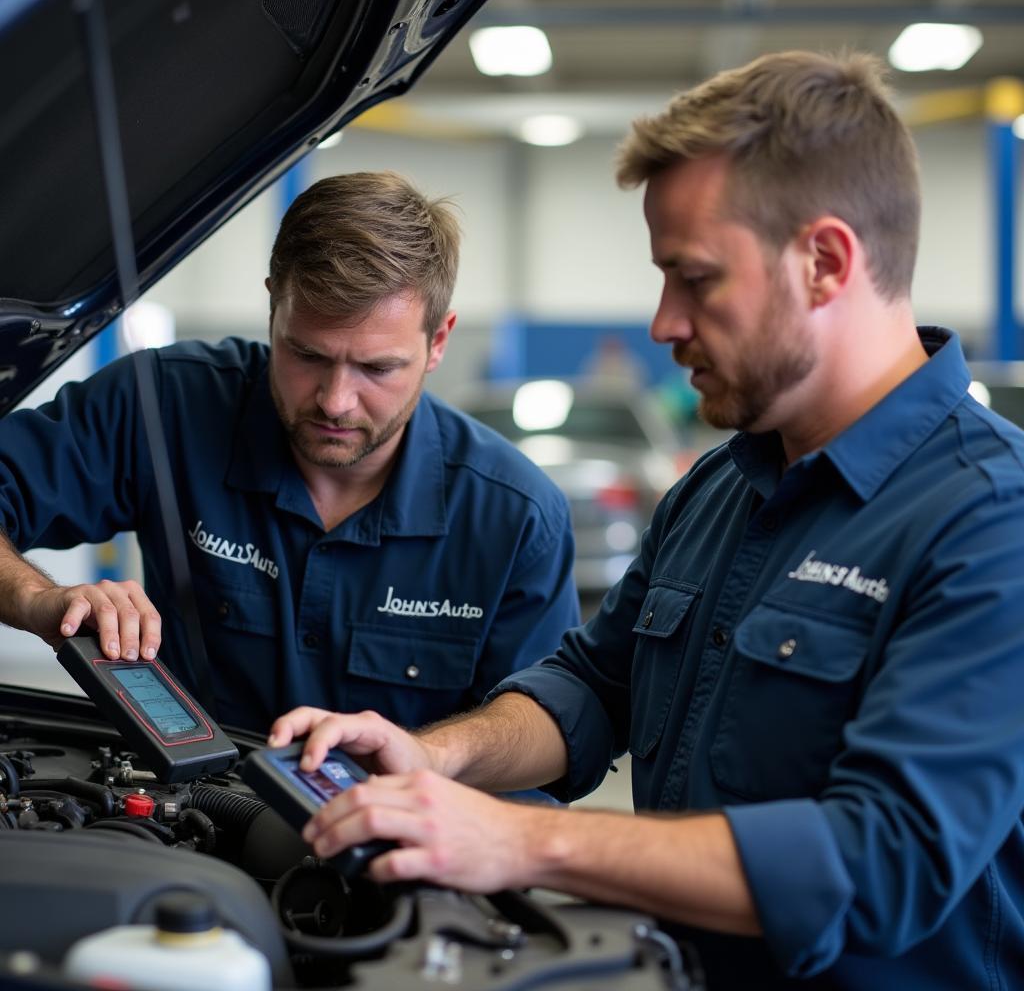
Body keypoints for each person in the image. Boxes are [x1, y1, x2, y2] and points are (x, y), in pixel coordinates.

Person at [268, 52, 1024, 988]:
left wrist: (523, 840)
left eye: (694, 277)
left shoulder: (991, 518)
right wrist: (431, 754)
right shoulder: (722, 488)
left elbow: (884, 863)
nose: (663, 322)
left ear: (825, 262)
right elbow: (596, 686)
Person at [0, 171, 579, 732]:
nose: (335, 401)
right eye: (307, 355)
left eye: (378, 367)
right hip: (188, 820)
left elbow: (536, 735)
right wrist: (35, 599)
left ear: (439, 341)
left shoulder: (517, 518)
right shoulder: (161, 406)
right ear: (273, 310)